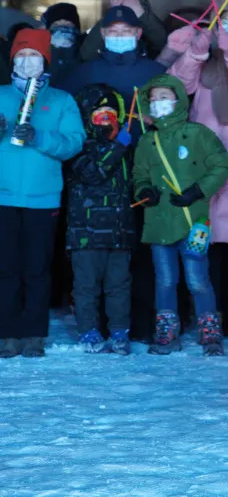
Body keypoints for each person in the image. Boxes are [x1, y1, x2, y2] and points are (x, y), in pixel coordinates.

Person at [166, 0, 228, 344]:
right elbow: (176, 88)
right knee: (207, 247)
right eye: (227, 21)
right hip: (203, 165)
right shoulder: (203, 58)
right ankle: (211, 315)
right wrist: (194, 54)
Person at [132, 73, 228, 356]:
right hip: (159, 221)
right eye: (153, 100)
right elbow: (139, 174)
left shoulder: (198, 134)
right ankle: (166, 330)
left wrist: (198, 191)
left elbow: (221, 165)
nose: (159, 103)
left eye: (164, 97)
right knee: (164, 280)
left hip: (192, 221)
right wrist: (143, 192)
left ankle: (210, 331)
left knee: (197, 279)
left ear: (178, 99)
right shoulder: (146, 141)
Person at [0, 29, 85, 358]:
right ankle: (6, 333)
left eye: (33, 55)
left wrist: (38, 137)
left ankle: (34, 333)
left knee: (37, 268)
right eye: (20, 56)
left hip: (43, 197)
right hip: (3, 196)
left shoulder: (61, 100)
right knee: (5, 268)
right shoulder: (1, 95)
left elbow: (73, 144)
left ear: (45, 59)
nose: (27, 61)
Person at [66, 84, 137, 355]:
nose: (105, 117)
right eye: (99, 112)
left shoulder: (125, 145)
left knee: (119, 285)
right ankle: (88, 330)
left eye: (110, 111)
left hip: (120, 232)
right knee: (86, 286)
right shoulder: (78, 146)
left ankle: (119, 330)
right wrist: (118, 147)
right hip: (86, 233)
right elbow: (93, 173)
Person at [42, 2, 84, 86]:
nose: (62, 28)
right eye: (56, 24)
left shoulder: (84, 47)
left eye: (67, 24)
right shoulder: (40, 50)